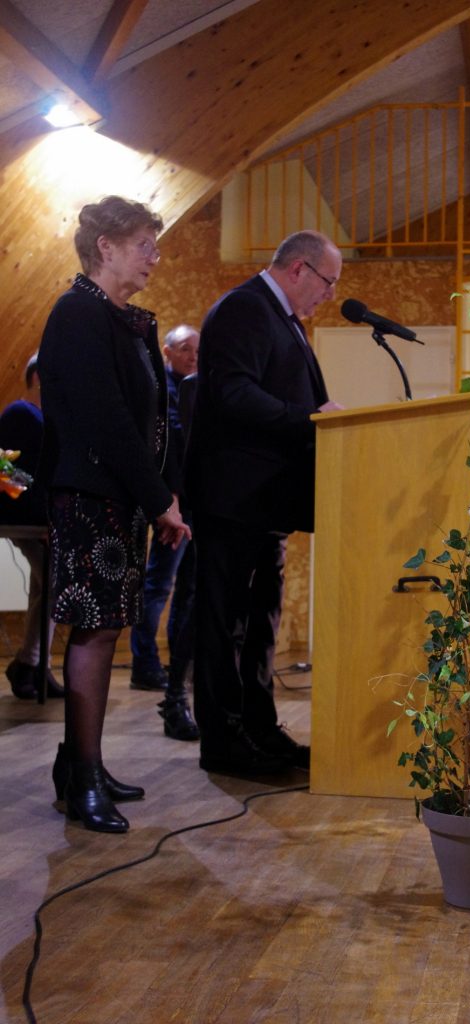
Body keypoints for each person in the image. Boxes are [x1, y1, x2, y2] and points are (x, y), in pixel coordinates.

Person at [38, 195, 191, 833]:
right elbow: (106, 419)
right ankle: (82, 779)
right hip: (89, 497)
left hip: (118, 498)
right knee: (95, 632)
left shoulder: (122, 319)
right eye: (142, 245)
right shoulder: (78, 312)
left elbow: (152, 421)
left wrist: (157, 494)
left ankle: (84, 766)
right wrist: (159, 499)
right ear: (105, 247)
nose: (154, 256)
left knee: (105, 631)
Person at [186, 229, 343, 775]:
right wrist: (309, 418)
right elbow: (233, 393)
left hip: (265, 503)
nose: (330, 293)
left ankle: (258, 728)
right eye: (327, 281)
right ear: (299, 268)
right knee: (226, 623)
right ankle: (224, 741)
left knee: (259, 623)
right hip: (233, 497)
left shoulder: (282, 318)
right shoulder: (244, 308)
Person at [129, 324, 200, 742]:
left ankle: (177, 671)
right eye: (185, 349)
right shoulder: (162, 390)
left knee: (187, 591)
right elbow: (167, 446)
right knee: (158, 584)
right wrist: (168, 501)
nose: (193, 356)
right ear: (168, 352)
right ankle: (144, 663)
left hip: (195, 502)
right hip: (170, 503)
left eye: (197, 350)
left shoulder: (197, 388)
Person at [0, 355, 63, 699]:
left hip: (37, 518)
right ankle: (30, 663)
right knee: (53, 583)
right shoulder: (21, 414)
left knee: (45, 584)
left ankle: (35, 666)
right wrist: (41, 514)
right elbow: (5, 469)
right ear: (39, 377)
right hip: (26, 519)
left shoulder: (40, 417)